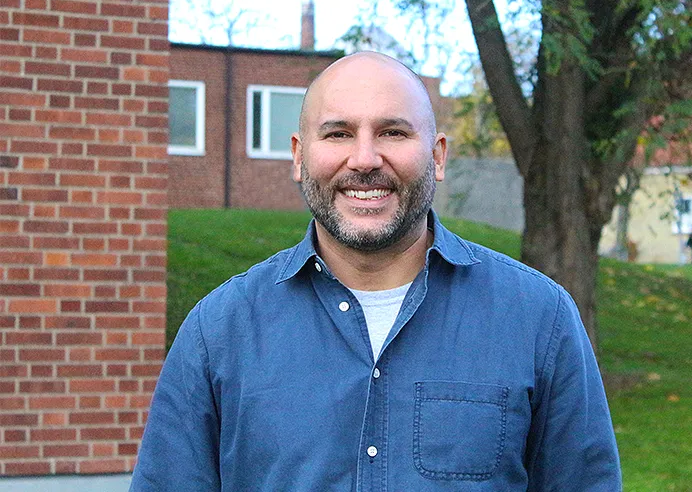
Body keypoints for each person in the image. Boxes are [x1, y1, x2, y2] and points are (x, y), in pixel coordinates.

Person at [130, 52, 621, 491]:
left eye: (393, 132)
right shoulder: (218, 332)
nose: (364, 159)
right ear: (300, 156)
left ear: (438, 154)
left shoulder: (539, 319)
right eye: (339, 133)